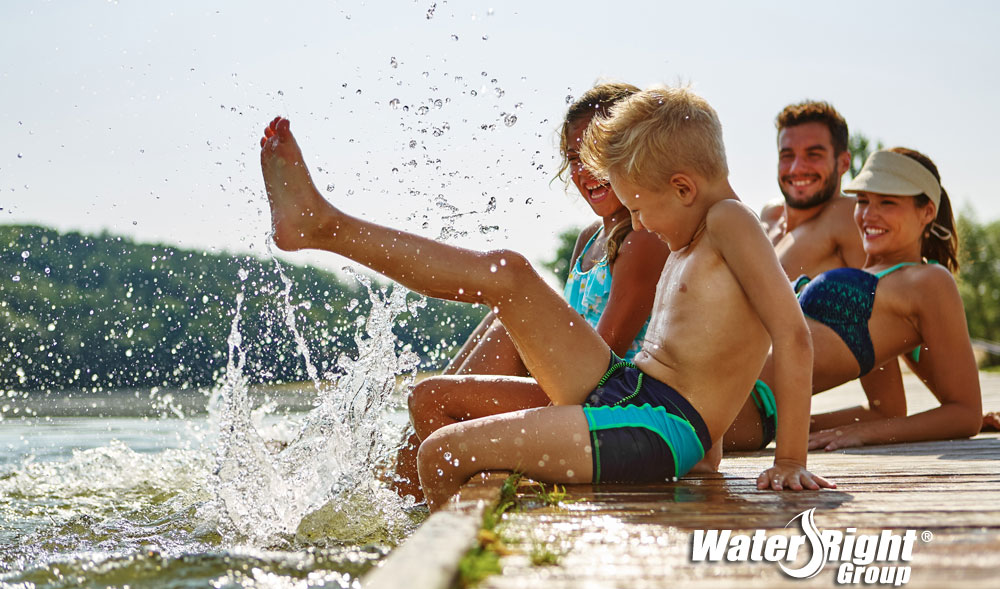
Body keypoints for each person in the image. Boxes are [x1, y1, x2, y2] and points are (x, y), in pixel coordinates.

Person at [260, 86, 834, 511]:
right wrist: (709, 453)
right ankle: (323, 226)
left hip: (657, 425)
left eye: (639, 207)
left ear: (683, 187)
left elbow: (791, 334)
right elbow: (705, 347)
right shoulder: (695, 231)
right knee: (509, 273)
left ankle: (440, 586)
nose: (638, 223)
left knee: (441, 453)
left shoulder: (731, 221)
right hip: (632, 390)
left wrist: (789, 462)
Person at [397, 83, 670, 501]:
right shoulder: (588, 240)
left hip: (612, 405)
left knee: (432, 395)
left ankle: (421, 520)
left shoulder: (643, 239)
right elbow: (559, 339)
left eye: (599, 154)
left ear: (636, 150)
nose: (584, 171)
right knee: (501, 321)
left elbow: (603, 363)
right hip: (575, 390)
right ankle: (399, 500)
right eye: (574, 159)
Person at [726, 148, 983, 452]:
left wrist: (866, 435)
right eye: (863, 201)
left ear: (927, 211)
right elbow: (885, 409)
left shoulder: (929, 281)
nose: (868, 214)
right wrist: (805, 426)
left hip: (740, 404)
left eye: (887, 202)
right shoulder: (874, 284)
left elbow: (966, 414)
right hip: (729, 391)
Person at [761, 100, 866, 278]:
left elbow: (888, 298)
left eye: (813, 155)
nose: (797, 168)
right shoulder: (770, 215)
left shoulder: (850, 216)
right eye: (787, 156)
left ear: (844, 163)